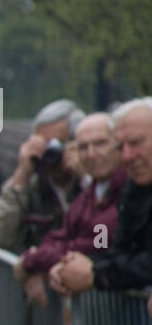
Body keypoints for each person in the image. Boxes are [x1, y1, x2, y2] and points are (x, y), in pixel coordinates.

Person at [13, 113, 124, 305]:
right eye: (83, 147)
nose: (91, 154)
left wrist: (34, 259)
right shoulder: (87, 196)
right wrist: (52, 263)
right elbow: (58, 237)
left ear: (119, 145)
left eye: (100, 144)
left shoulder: (127, 191)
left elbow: (96, 245)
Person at [50, 98, 152, 296]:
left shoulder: (122, 187)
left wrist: (93, 272)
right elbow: (116, 250)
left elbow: (96, 240)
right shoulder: (130, 188)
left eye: (100, 144)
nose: (92, 154)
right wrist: (66, 267)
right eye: (120, 146)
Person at [0, 99, 83, 252]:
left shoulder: (92, 185)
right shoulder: (33, 188)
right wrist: (22, 174)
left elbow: (106, 234)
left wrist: (86, 177)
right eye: (45, 144)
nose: (51, 153)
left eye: (57, 144)